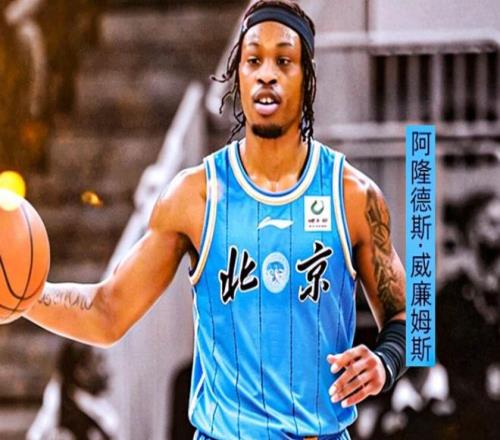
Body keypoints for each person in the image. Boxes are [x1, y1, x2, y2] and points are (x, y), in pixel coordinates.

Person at [23, 1, 407, 438]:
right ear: (237, 75)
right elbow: (107, 312)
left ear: (308, 78)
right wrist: (24, 297)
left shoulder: (353, 196)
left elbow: (408, 318)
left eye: (283, 61)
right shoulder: (195, 196)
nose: (266, 74)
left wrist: (384, 362)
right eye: (253, 60)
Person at [437, 190, 500, 439]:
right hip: (467, 417)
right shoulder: (449, 298)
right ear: (472, 231)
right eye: (493, 223)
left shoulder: (494, 294)